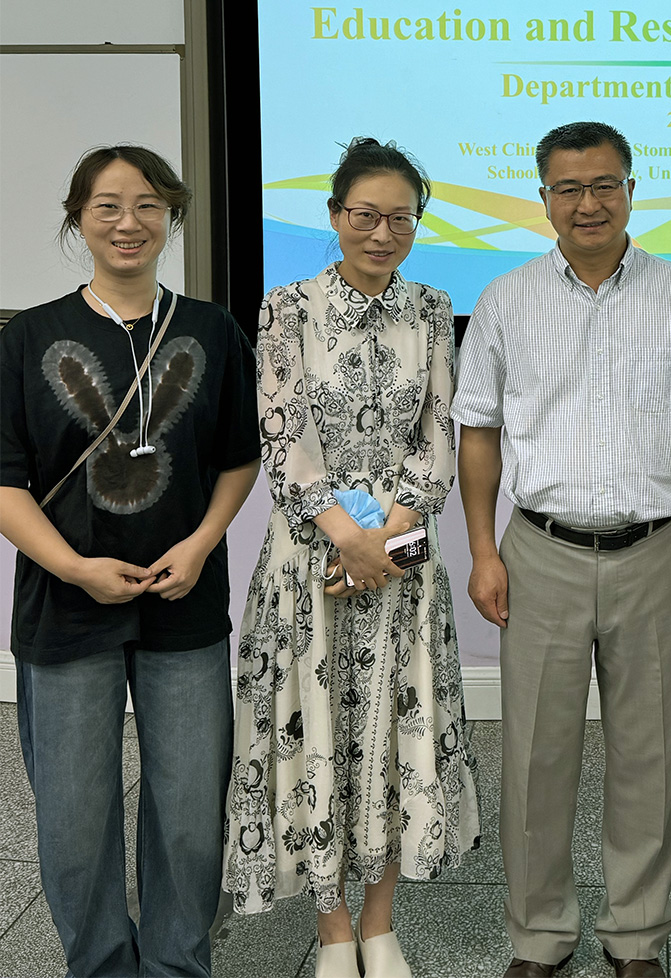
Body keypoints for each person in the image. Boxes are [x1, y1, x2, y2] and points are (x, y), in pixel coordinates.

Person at [452, 120, 671, 978]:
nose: (589, 203)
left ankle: (637, 936)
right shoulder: (507, 299)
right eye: (569, 188)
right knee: (536, 758)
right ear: (543, 198)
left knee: (648, 756)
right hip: (537, 549)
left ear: (631, 189)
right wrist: (482, 550)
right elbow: (479, 434)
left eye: (605, 185)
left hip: (658, 550)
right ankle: (541, 937)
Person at [221, 137, 480, 978]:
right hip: (310, 563)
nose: (381, 232)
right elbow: (282, 430)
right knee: (316, 732)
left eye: (399, 217)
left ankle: (380, 921)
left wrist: (392, 534)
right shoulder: (286, 308)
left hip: (403, 568)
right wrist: (346, 535)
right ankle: (332, 927)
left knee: (394, 734)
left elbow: (440, 430)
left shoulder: (435, 309)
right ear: (335, 217)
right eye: (364, 215)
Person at [0, 145, 260, 977]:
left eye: (147, 205)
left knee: (188, 812)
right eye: (107, 205)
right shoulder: (27, 335)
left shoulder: (212, 329)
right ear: (77, 218)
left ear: (172, 218)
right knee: (75, 819)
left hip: (184, 600)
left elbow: (237, 457)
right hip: (66, 605)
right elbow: (4, 479)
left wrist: (200, 542)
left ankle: (178, 963)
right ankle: (102, 967)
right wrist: (74, 568)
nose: (128, 222)